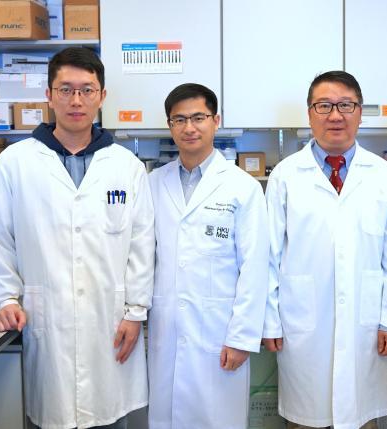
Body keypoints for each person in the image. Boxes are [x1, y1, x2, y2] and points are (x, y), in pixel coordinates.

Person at [0, 47, 154, 429]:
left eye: (87, 90)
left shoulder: (127, 166)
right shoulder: (14, 163)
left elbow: (142, 244)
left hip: (111, 324)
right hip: (46, 322)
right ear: (49, 95)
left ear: (102, 96)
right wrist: (6, 298)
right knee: (51, 414)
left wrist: (136, 312)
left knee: (110, 418)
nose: (76, 100)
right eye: (66, 89)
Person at [263, 71, 387, 429]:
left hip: (367, 327)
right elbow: (267, 256)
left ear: (359, 113)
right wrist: (269, 319)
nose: (335, 115)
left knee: (361, 419)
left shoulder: (382, 174)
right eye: (324, 106)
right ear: (309, 114)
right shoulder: (286, 175)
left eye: (346, 105)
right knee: (307, 419)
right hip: (303, 325)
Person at [147, 83, 269, 429]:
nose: (189, 127)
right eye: (179, 119)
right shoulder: (153, 183)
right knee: (167, 418)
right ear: (170, 126)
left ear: (216, 121)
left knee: (218, 419)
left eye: (198, 117)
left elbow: (255, 268)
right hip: (168, 329)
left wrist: (241, 337)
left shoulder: (243, 187)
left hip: (219, 333)